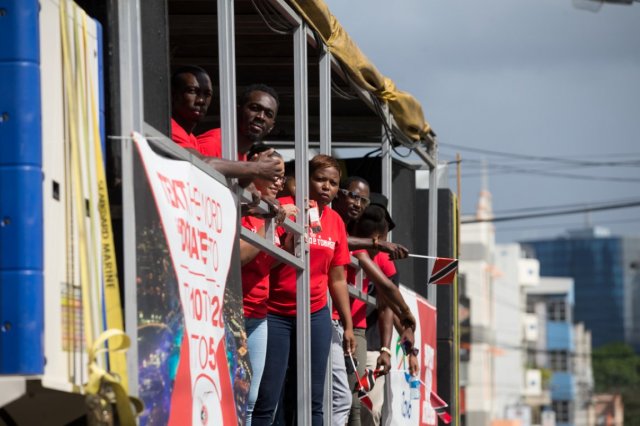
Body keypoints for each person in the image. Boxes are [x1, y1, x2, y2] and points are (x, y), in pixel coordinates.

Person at [252, 155, 356, 426]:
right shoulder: (283, 208)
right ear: (305, 180)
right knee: (268, 395)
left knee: (311, 398)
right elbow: (264, 258)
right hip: (275, 311)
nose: (326, 187)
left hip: (315, 314)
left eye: (333, 183)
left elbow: (338, 279)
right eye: (320, 179)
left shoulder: (336, 222)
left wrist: (346, 324)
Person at [332, 182, 416, 426]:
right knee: (345, 401)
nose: (357, 205)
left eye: (364, 203)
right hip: (341, 324)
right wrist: (408, 314)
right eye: (354, 199)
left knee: (356, 405)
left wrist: (391, 349)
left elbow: (386, 302)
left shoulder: (378, 256)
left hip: (355, 331)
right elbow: (387, 289)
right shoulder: (358, 247)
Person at [239, 145, 297, 426]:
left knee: (252, 398)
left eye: (282, 176)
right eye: (273, 173)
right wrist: (270, 221)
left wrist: (288, 244)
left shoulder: (269, 210)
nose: (278, 181)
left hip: (259, 314)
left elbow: (264, 262)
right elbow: (240, 256)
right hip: (235, 311)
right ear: (254, 167)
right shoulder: (246, 204)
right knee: (234, 394)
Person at [170, 65, 283, 180]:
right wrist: (256, 168)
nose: (261, 117)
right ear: (237, 110)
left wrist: (249, 183)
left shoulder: (242, 156)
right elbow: (201, 167)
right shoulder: (214, 142)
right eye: (254, 108)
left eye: (268, 114)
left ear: (271, 127)